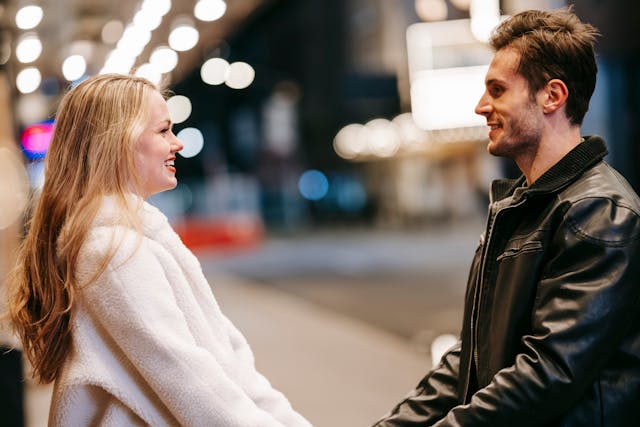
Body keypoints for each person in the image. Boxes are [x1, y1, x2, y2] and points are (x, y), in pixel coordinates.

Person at [374, 7, 640, 426]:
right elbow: (472, 354)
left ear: (552, 96)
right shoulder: (523, 206)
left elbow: (548, 373)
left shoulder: (597, 211)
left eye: (497, 90)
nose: (481, 106)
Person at [6, 73, 311, 426]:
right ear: (119, 141)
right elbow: (191, 381)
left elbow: (231, 366)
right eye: (163, 130)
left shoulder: (133, 240)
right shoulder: (113, 253)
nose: (176, 144)